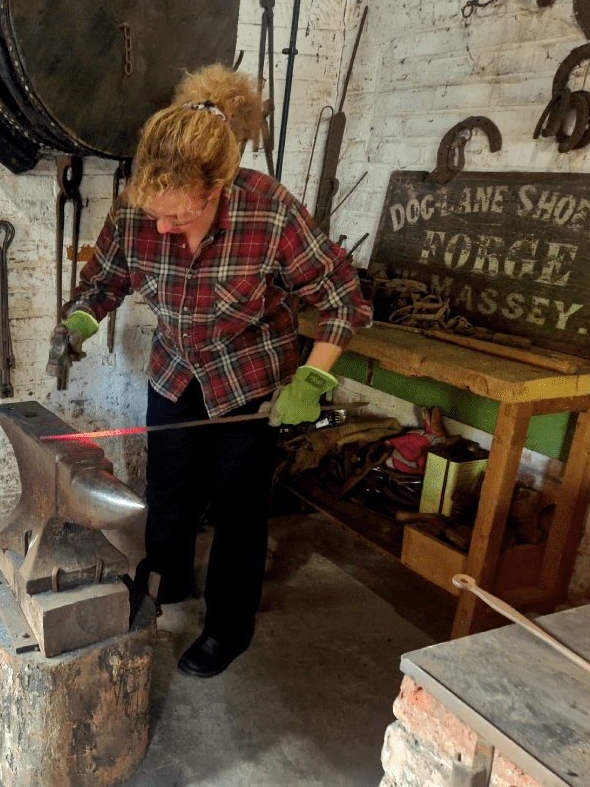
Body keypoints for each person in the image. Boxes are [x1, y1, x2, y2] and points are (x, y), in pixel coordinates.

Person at [57, 64, 370, 678]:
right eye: (154, 216)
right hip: (175, 371)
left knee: (239, 511)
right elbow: (104, 281)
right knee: (169, 491)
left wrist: (316, 376)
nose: (163, 230)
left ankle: (228, 627)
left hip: (250, 383)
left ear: (218, 189)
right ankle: (164, 583)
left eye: (178, 218)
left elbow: (343, 298)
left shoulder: (268, 212)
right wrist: (80, 323)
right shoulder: (136, 213)